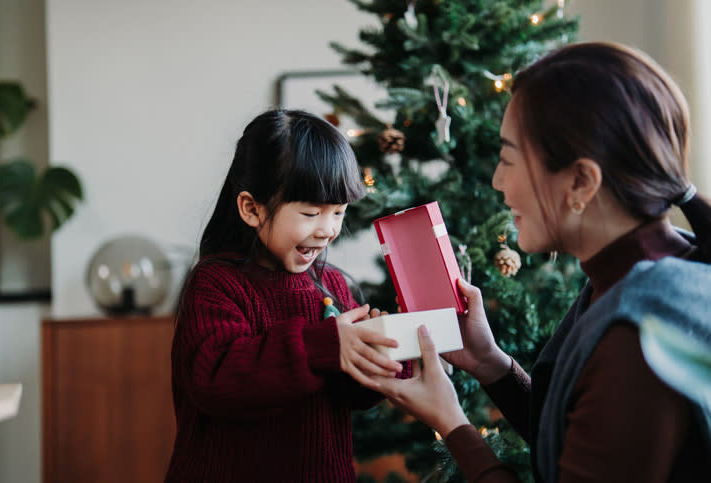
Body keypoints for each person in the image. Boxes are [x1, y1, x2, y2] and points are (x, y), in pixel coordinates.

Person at [364, 41, 711, 482]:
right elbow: (580, 434)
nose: (497, 182)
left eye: (508, 159)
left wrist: (453, 424)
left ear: (582, 181)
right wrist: (490, 362)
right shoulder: (653, 268)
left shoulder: (637, 335)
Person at [164, 109, 404, 482]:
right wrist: (323, 346)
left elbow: (353, 394)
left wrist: (380, 356)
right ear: (251, 209)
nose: (328, 230)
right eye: (311, 213)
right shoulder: (216, 284)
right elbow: (216, 381)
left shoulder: (334, 287)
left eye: (338, 213)